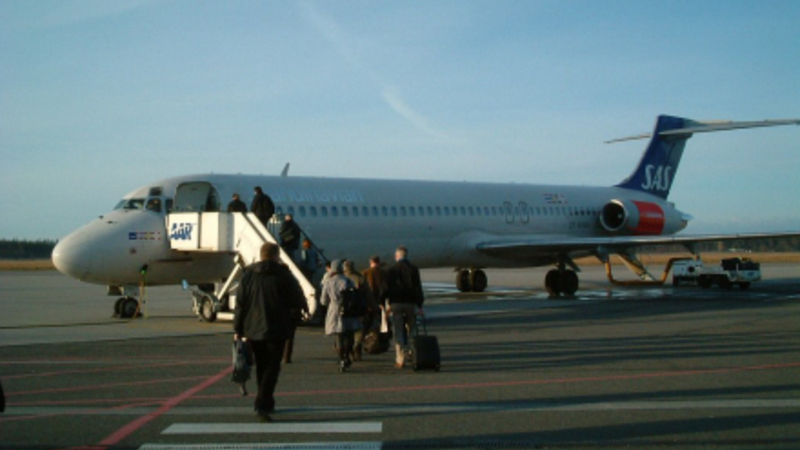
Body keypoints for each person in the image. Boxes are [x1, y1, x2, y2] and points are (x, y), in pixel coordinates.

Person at [234, 243, 306, 422]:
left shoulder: (248, 275)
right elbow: (297, 297)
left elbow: (240, 303)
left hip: (253, 328)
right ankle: (262, 403)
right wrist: (300, 310)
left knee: (262, 365)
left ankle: (266, 400)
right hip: (277, 327)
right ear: (275, 255)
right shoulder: (283, 274)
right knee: (272, 367)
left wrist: (237, 329)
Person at [383, 246, 425, 369]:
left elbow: (386, 289)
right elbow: (418, 288)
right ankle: (413, 353)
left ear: (396, 256)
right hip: (410, 303)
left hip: (396, 303)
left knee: (398, 331)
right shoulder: (413, 269)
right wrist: (420, 304)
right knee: (412, 329)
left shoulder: (391, 270)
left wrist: (386, 304)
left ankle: (400, 359)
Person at [320, 260, 362, 372]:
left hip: (334, 310)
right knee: (349, 335)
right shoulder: (347, 281)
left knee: (339, 336)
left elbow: (323, 301)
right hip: (349, 311)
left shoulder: (328, 282)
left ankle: (341, 358)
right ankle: (347, 356)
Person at [343, 260, 375, 361]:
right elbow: (368, 294)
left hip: (344, 309)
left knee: (345, 331)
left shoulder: (340, 278)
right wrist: (374, 307)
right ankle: (356, 346)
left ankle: (346, 351)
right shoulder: (360, 278)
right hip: (358, 308)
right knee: (359, 330)